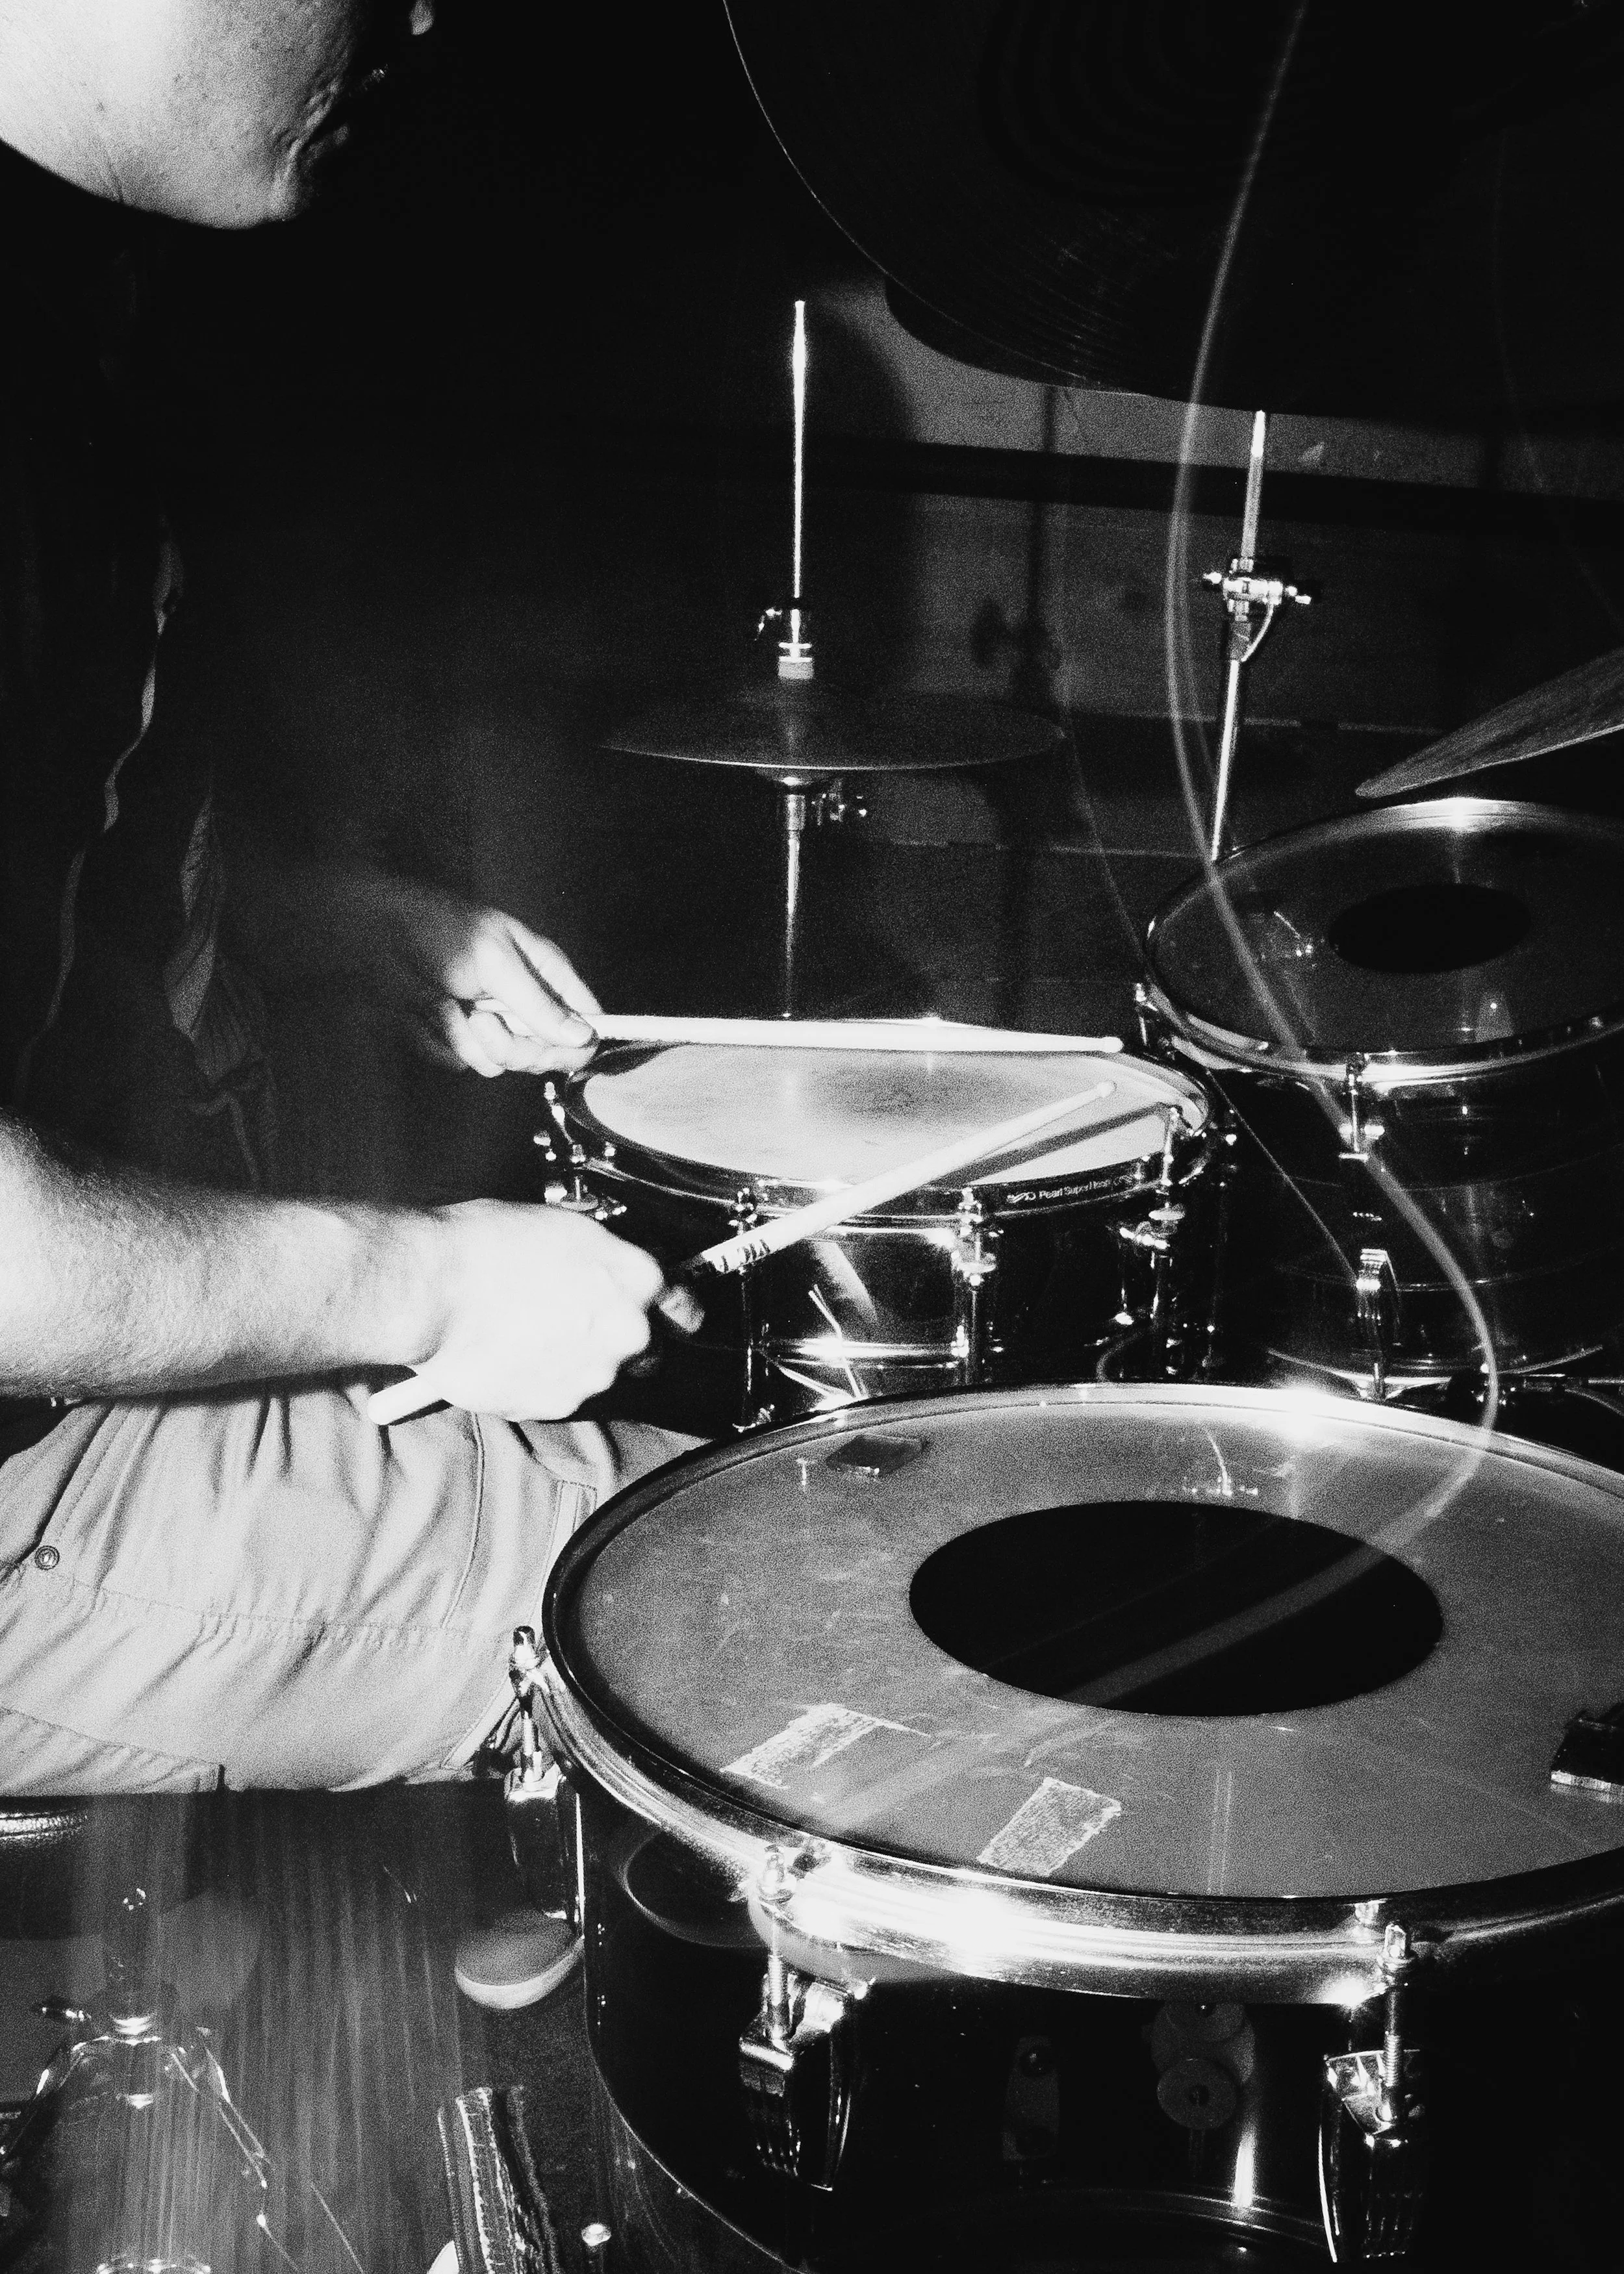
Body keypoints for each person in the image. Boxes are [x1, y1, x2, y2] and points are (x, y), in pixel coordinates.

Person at [0, 0, 698, 1795]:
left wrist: (310, 915)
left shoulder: (62, 294)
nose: (417, 14)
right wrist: (440, 1286)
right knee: (758, 1606)